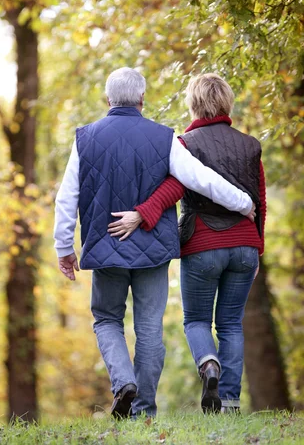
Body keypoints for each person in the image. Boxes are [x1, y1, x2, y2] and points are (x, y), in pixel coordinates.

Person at [54, 68, 255, 419]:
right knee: (149, 329)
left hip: (106, 249)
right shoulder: (164, 137)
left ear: (108, 100)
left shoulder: (85, 138)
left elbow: (67, 195)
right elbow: (201, 179)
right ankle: (143, 409)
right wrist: (244, 203)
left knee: (106, 319)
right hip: (153, 249)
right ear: (142, 100)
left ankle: (123, 383)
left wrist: (64, 246)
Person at [108, 73, 266, 414]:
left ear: (193, 104)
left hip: (202, 243)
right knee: (231, 324)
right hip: (245, 246)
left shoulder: (184, 143)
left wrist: (142, 213)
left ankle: (209, 364)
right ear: (227, 103)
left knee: (196, 321)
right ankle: (230, 403)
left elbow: (174, 188)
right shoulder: (250, 144)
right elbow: (260, 200)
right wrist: (258, 248)